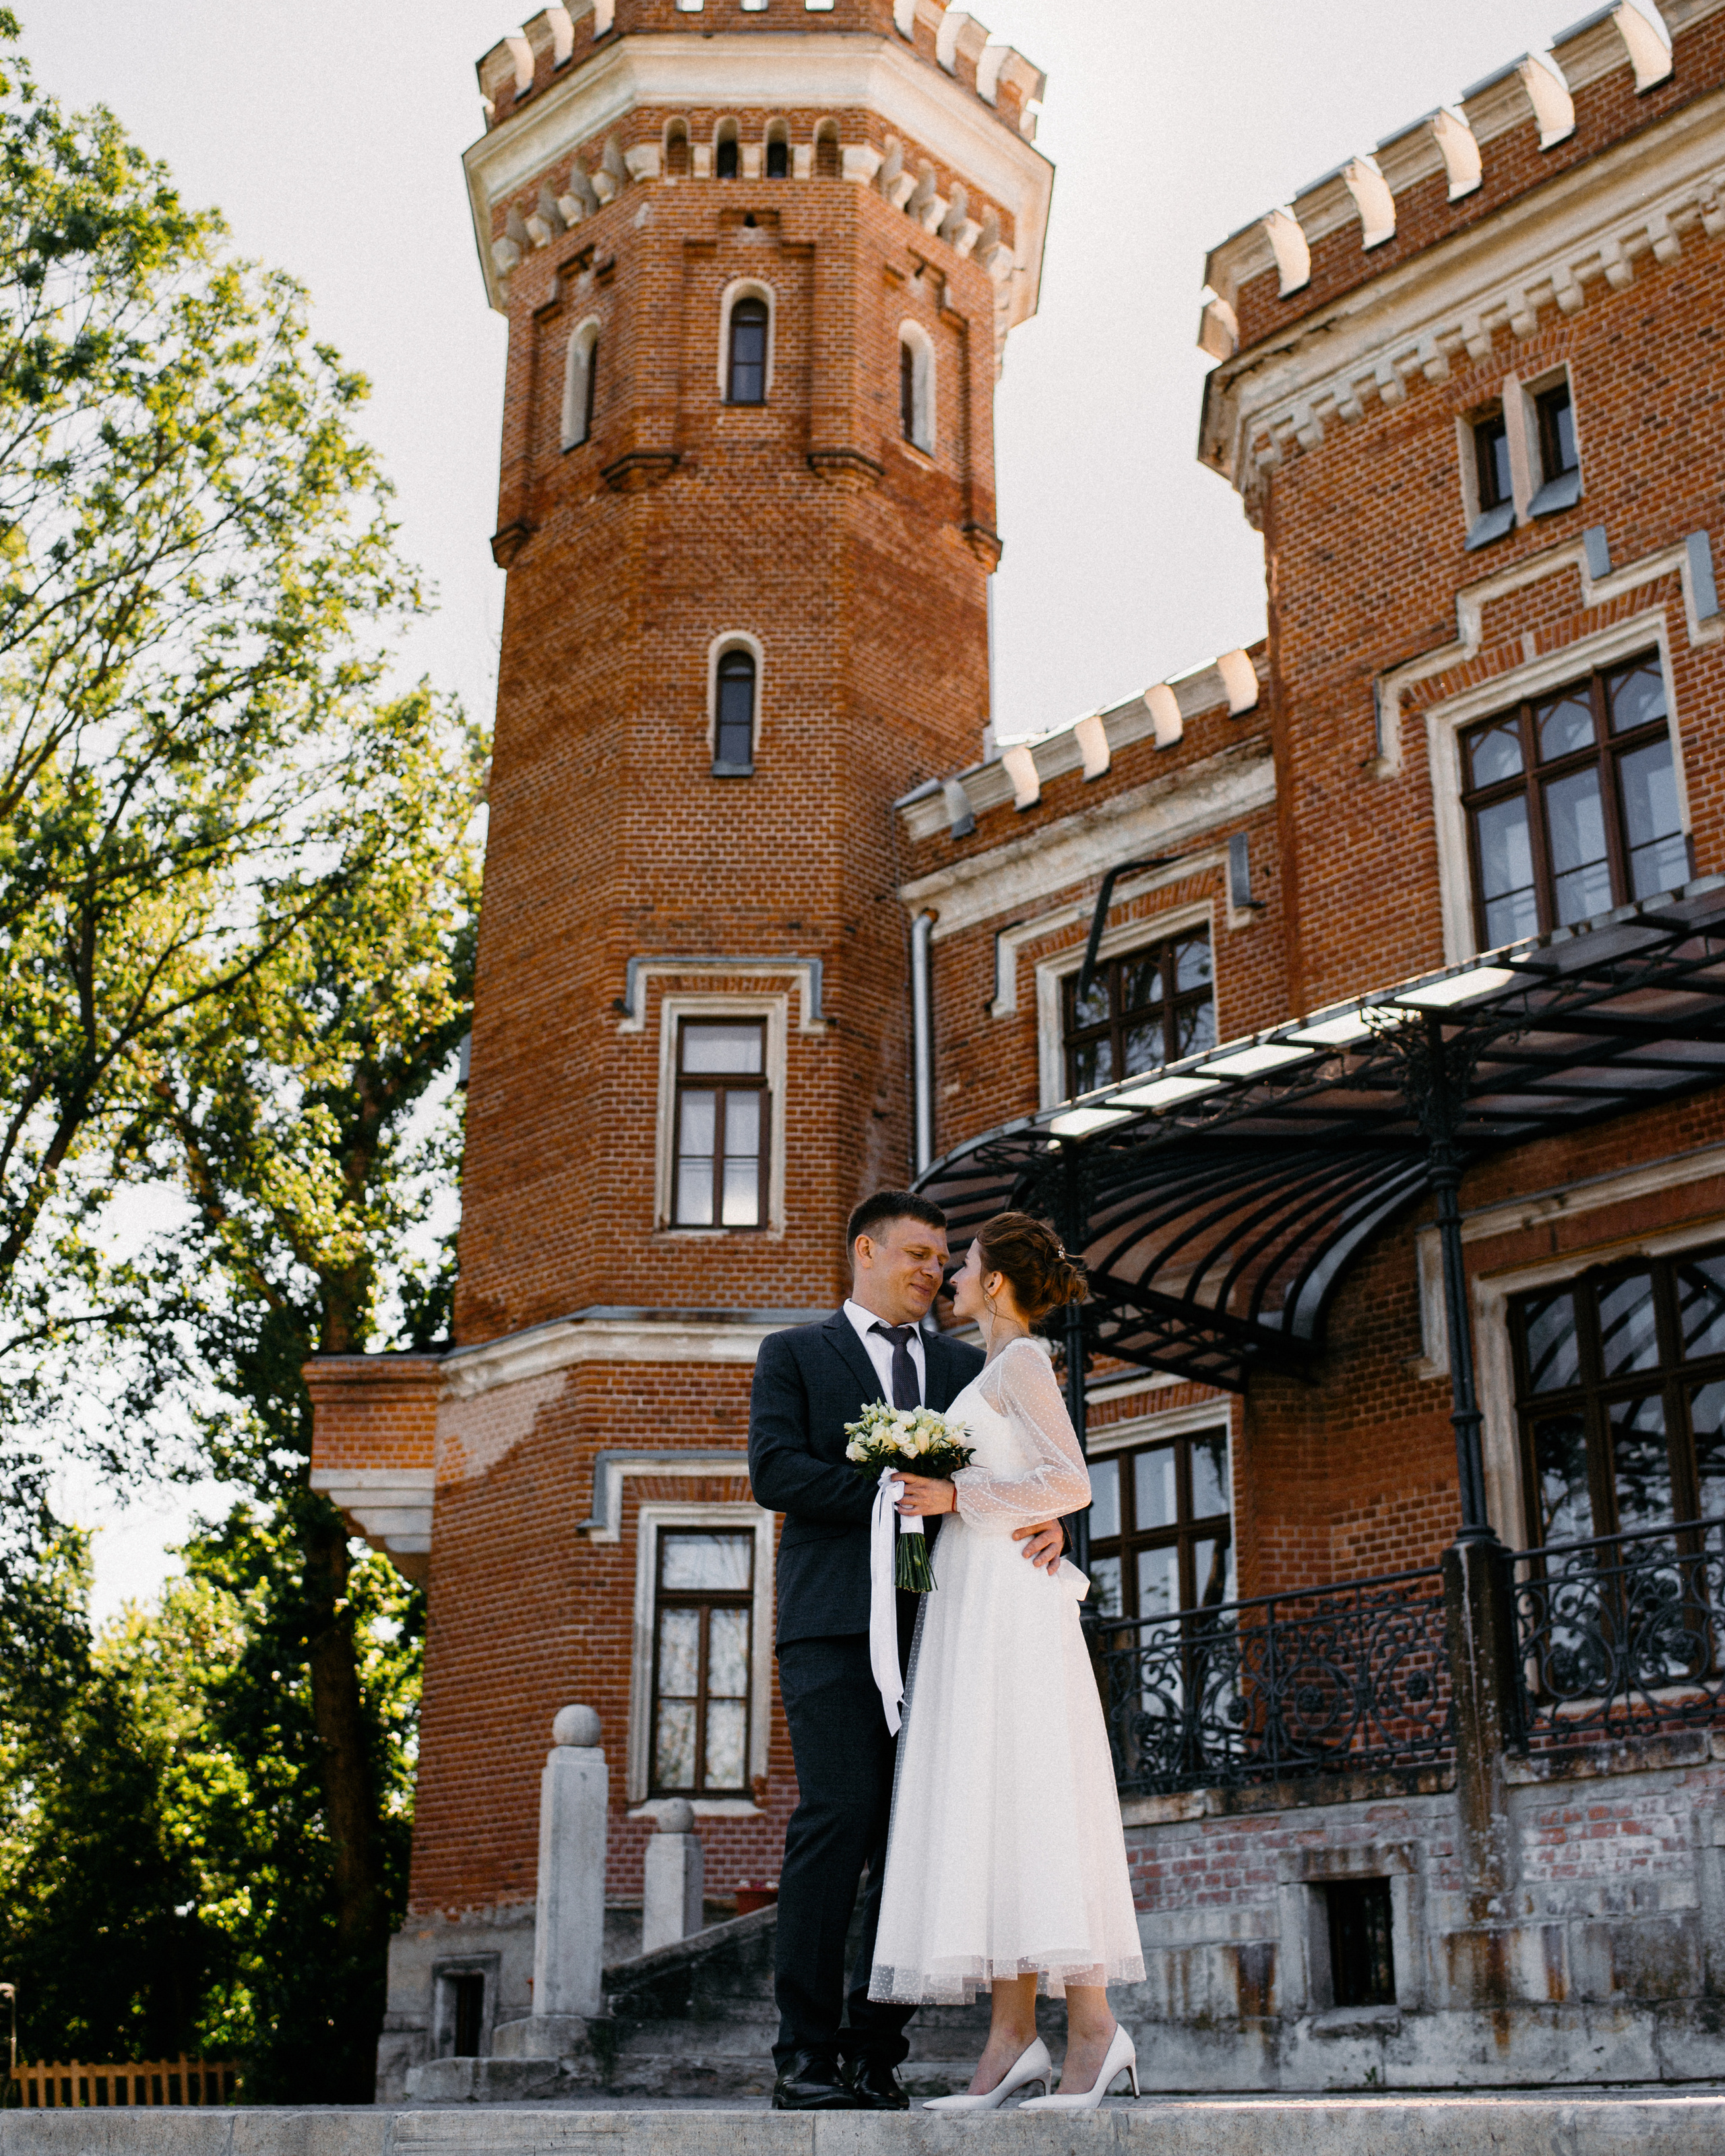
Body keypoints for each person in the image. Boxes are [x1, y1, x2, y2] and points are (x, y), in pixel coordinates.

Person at [747, 1191, 1067, 2112]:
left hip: (946, 1629)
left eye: (943, 1258)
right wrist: (891, 1486)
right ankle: (804, 2056)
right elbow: (775, 1472)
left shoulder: (970, 1367)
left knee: (916, 1843)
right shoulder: (796, 1354)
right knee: (838, 1820)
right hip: (834, 1627)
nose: (933, 1270)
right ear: (866, 1252)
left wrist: (1047, 1525)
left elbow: (1020, 1471)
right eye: (918, 1254)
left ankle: (872, 2052)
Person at [868, 1211, 1146, 2112]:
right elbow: (1034, 1478)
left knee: (1031, 1795)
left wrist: (957, 1491)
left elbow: (1072, 1481)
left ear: (995, 1284)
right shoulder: (992, 1368)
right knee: (992, 1806)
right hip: (970, 1598)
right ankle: (1011, 2039)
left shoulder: (1023, 1359)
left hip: (1011, 1607)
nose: (950, 1276)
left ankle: (1094, 2033)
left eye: (966, 1265)